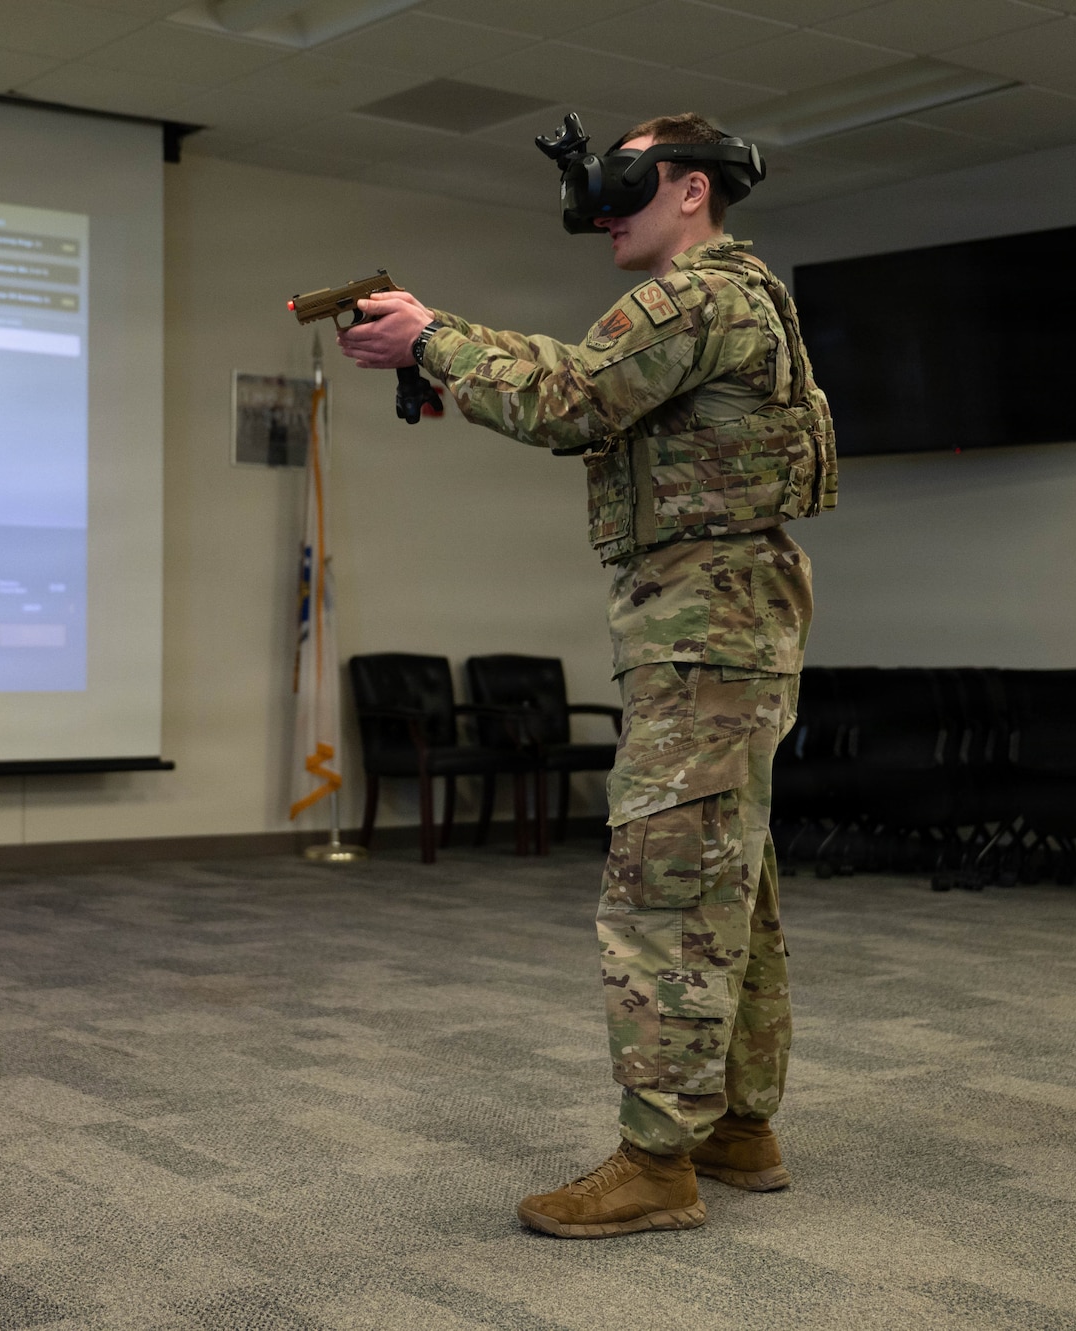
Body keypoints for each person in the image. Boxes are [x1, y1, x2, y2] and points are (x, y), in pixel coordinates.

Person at [338, 112, 836, 1239]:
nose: (604, 205)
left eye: (627, 178)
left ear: (691, 189)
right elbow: (583, 374)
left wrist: (431, 345)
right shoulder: (727, 296)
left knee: (662, 885)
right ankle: (736, 1127)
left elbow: (568, 401)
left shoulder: (698, 295)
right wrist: (433, 330)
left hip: (704, 617)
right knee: (726, 879)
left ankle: (656, 1163)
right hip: (720, 613)